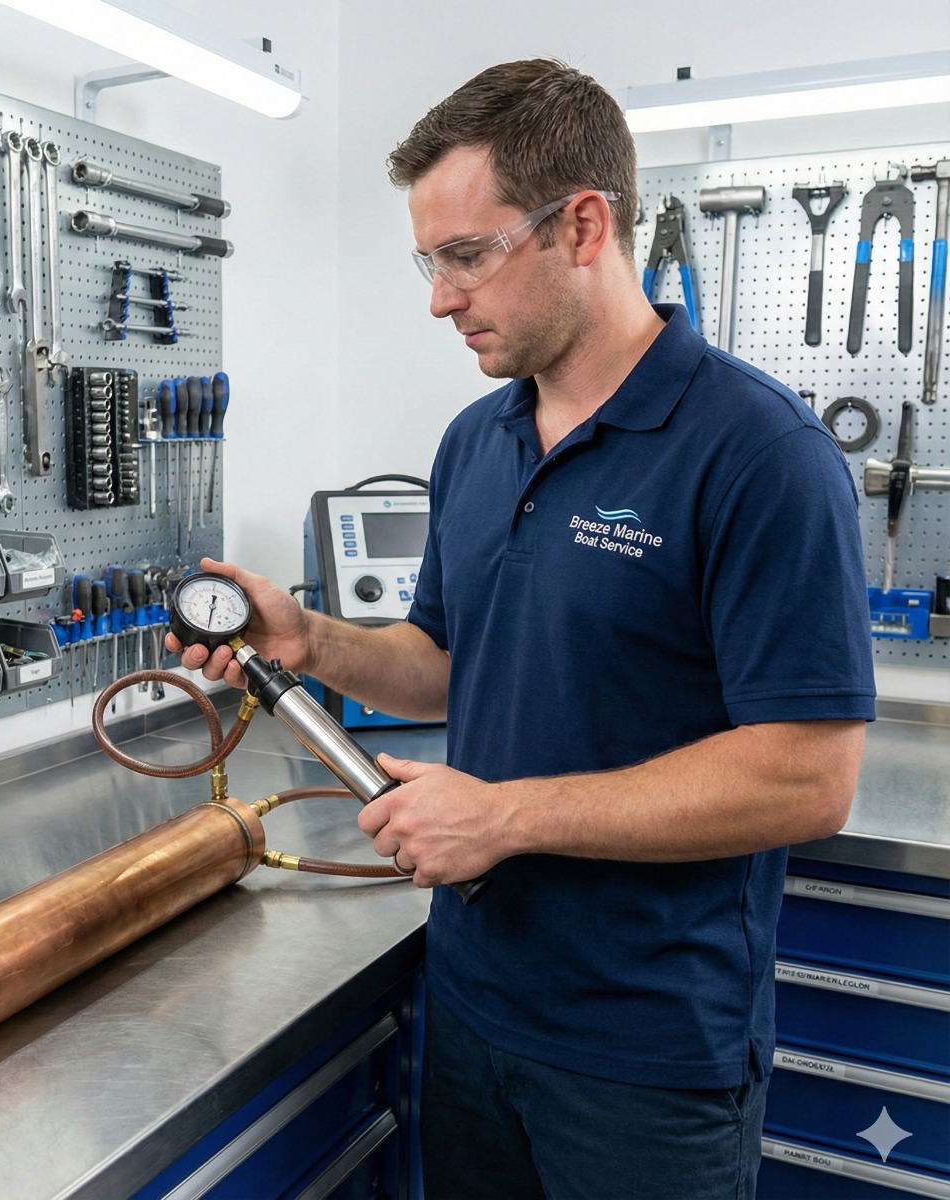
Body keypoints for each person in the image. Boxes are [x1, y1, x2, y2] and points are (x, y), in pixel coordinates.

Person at [168, 59, 875, 1200]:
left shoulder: (760, 454)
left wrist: (505, 817)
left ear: (582, 224)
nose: (440, 299)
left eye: (466, 255)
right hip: (474, 1009)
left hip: (648, 1057)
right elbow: (448, 665)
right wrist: (310, 639)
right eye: (429, 261)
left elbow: (807, 779)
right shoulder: (475, 443)